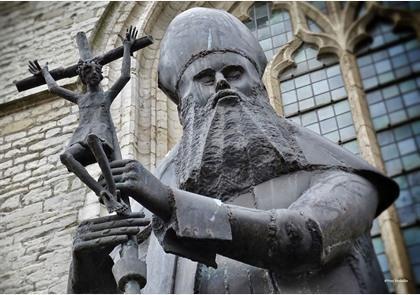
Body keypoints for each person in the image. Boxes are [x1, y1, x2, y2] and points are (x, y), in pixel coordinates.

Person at [68, 8, 399, 293]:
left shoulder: (343, 182)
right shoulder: (152, 235)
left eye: (234, 73)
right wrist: (88, 276)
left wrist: (168, 202)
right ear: (184, 107)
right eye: (206, 79)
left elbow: (299, 239)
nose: (222, 83)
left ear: (259, 89)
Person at [28, 26, 140, 215]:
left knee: (93, 139)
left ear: (101, 74)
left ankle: (113, 190)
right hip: (82, 135)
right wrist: (45, 73)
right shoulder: (81, 99)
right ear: (84, 78)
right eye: (89, 72)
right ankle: (104, 193)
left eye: (97, 71)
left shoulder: (106, 96)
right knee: (66, 156)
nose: (94, 74)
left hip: (101, 136)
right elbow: (54, 88)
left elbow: (125, 75)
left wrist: (127, 48)